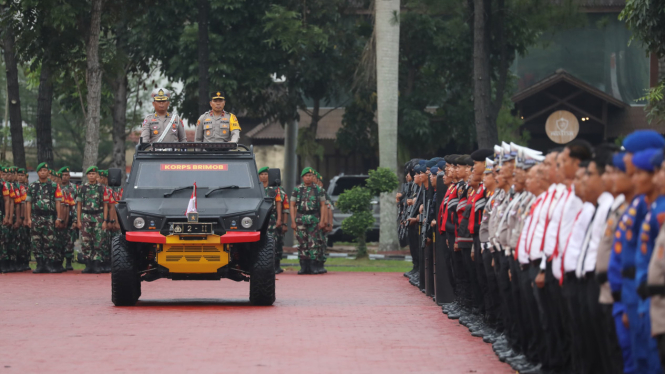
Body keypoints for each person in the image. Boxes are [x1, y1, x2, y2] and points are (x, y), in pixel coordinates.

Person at [26, 162, 63, 273]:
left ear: (48, 172)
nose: (43, 172)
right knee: (36, 241)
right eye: (41, 171)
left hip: (49, 217)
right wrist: (28, 218)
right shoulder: (32, 186)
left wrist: (58, 218)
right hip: (36, 217)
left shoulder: (54, 186)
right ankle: (39, 264)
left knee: (49, 242)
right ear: (37, 173)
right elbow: (28, 203)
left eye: (45, 171)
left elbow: (58, 202)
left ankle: (48, 264)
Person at [290, 167, 327, 275]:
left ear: (312, 177)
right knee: (302, 243)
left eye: (310, 176)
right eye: (306, 176)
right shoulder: (297, 190)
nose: (308, 177)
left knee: (313, 243)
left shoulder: (319, 190)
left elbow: (323, 206)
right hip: (301, 218)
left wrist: (322, 220)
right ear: (302, 177)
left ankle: (313, 266)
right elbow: (292, 206)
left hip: (314, 218)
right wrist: (293, 221)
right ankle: (303, 266)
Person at [75, 166, 106, 274]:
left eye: (93, 174)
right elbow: (79, 205)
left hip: (98, 217)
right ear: (87, 176)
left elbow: (105, 205)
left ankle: (97, 264)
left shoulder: (101, 188)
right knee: (86, 242)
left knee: (98, 241)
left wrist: (105, 220)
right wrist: (78, 220)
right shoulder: (82, 188)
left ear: (97, 175)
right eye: (90, 174)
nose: (92, 176)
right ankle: (88, 264)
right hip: (86, 217)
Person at [59, 166, 78, 271]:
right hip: (59, 218)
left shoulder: (74, 188)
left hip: (71, 218)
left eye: (66, 175)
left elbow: (76, 205)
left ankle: (69, 262)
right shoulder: (56, 187)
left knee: (70, 241)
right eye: (63, 175)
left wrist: (75, 220)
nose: (65, 177)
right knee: (59, 240)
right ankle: (59, 261)